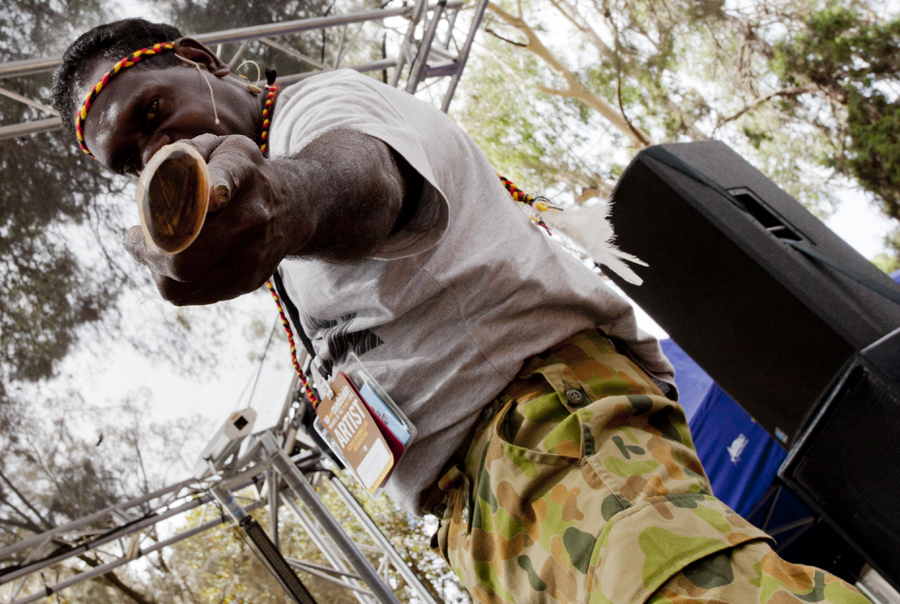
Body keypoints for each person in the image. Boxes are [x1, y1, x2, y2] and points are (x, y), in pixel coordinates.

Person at [52, 18, 871, 604]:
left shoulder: (318, 111)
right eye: (132, 162)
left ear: (198, 59)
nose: (159, 155)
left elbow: (365, 179)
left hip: (548, 428)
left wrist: (287, 199)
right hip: (481, 513)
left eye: (154, 116)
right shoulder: (276, 241)